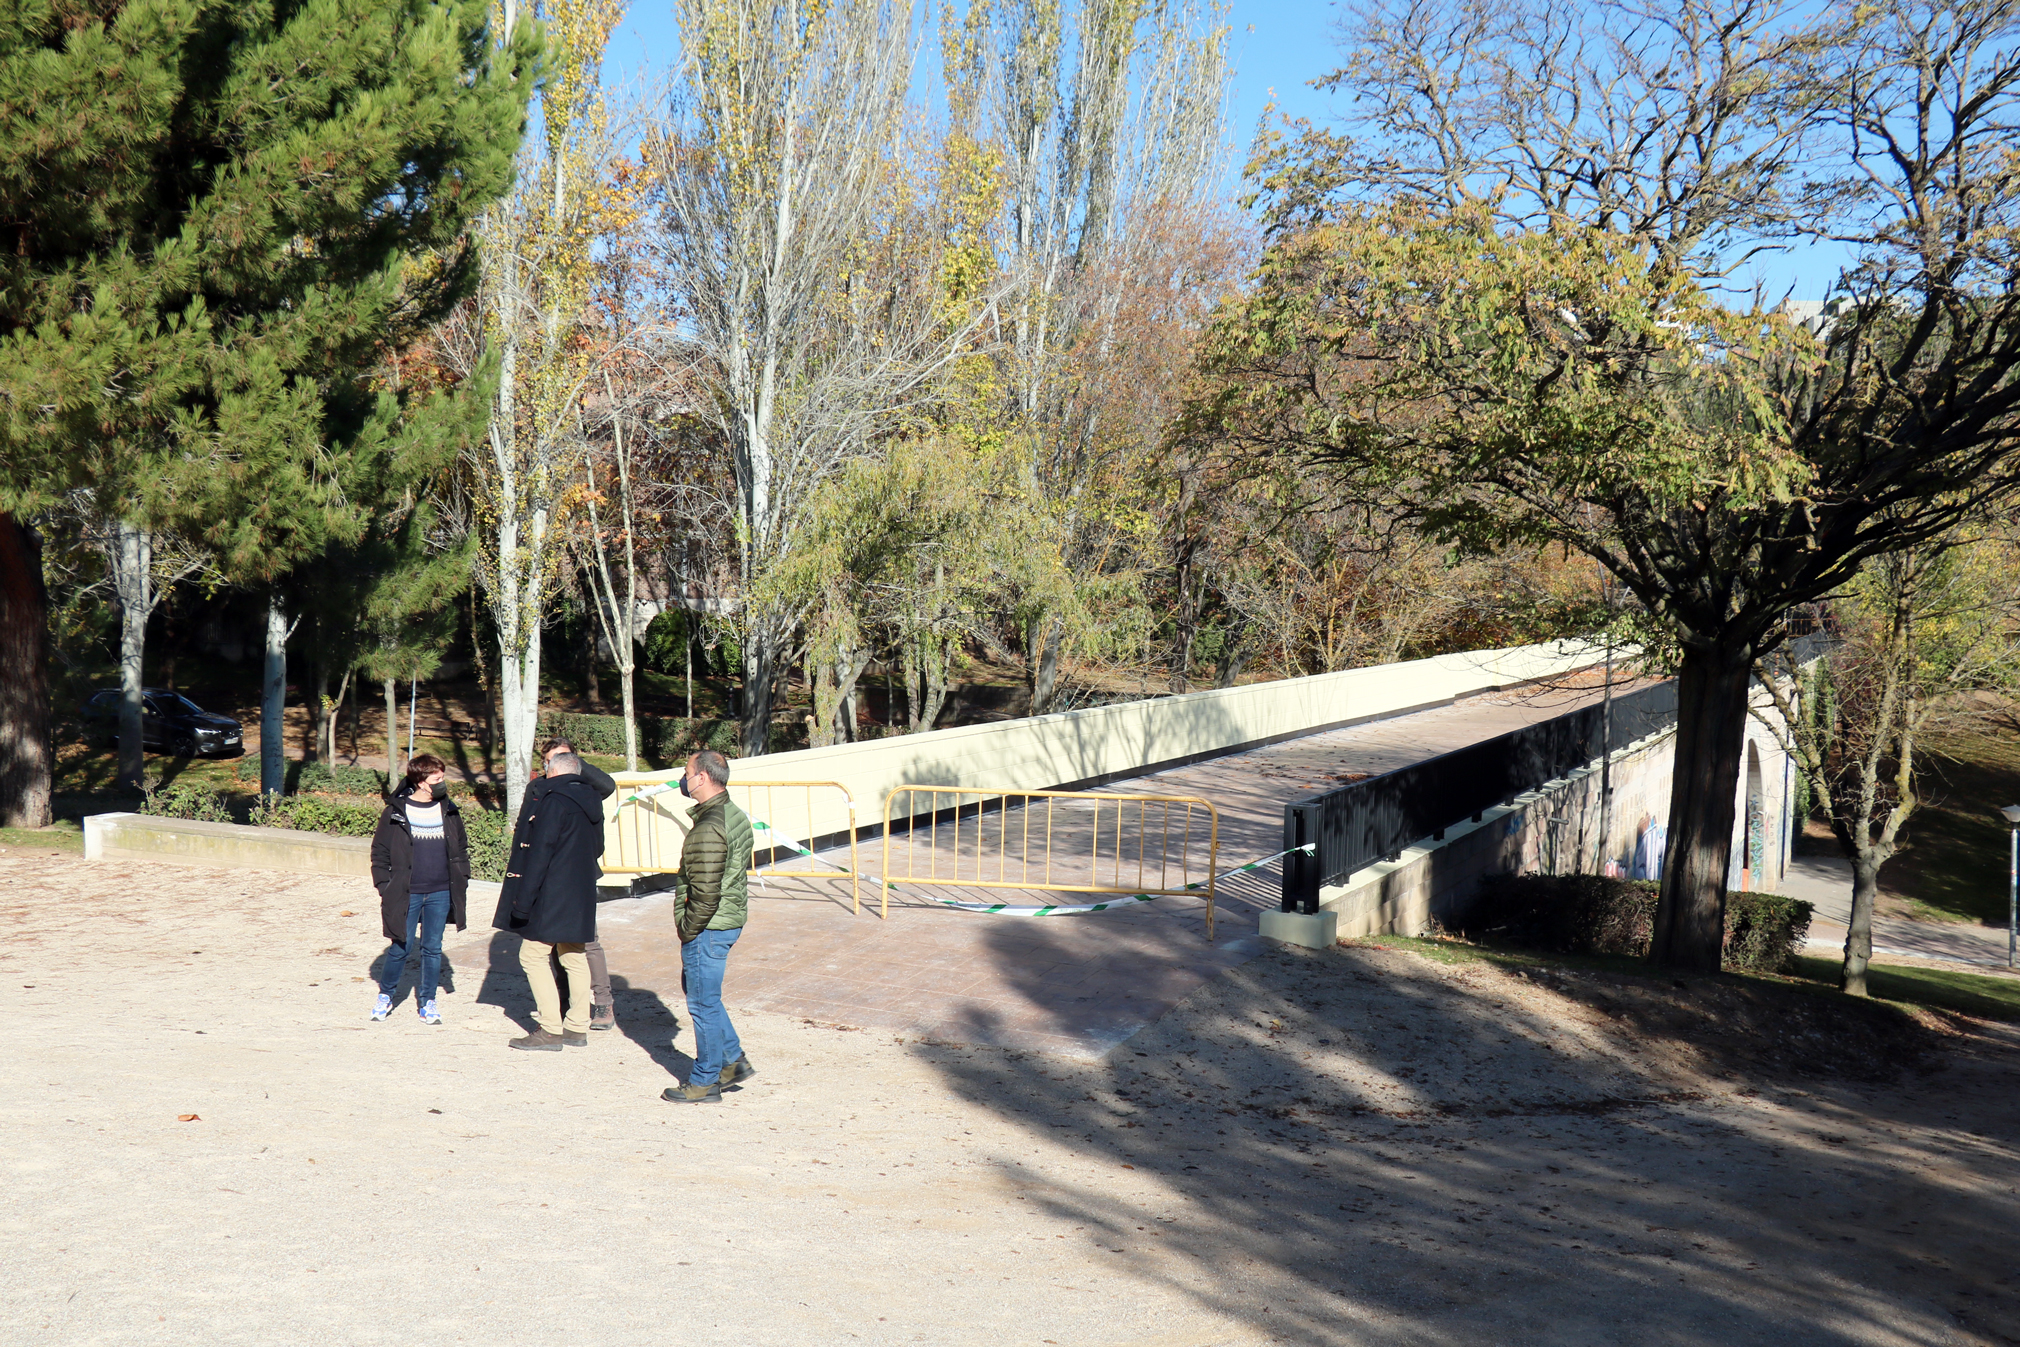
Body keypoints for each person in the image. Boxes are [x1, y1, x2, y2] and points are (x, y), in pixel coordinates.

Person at [493, 750, 607, 1050]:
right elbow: (598, 847)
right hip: (581, 889)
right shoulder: (592, 798)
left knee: (532, 955)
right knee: (574, 954)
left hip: (552, 890)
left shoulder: (553, 800)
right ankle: (577, 1027)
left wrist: (523, 902)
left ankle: (550, 1029)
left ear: (553, 771)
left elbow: (540, 852)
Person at [662, 749, 756, 1104]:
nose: (683, 779)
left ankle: (705, 1081)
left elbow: (705, 891)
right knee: (704, 993)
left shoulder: (709, 827)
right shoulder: (733, 814)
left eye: (687, 773)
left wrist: (688, 928)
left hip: (709, 927)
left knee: (702, 1003)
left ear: (702, 777)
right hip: (726, 921)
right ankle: (732, 1061)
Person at [368, 753, 472, 1025]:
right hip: (406, 893)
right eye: (437, 778)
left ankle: (427, 1001)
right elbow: (379, 852)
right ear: (421, 782)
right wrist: (384, 886)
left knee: (433, 949)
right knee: (400, 947)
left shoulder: (448, 810)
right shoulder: (395, 812)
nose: (442, 783)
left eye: (442, 777)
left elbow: (461, 847)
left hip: (441, 892)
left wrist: (462, 876)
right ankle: (386, 995)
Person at [541, 738, 618, 1031]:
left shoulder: (586, 788)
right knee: (552, 942)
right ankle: (565, 1000)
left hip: (580, 875)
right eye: (549, 760)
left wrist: (574, 764)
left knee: (588, 940)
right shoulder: (542, 788)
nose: (553, 765)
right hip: (549, 876)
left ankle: (603, 1003)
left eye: (560, 758)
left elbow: (608, 785)